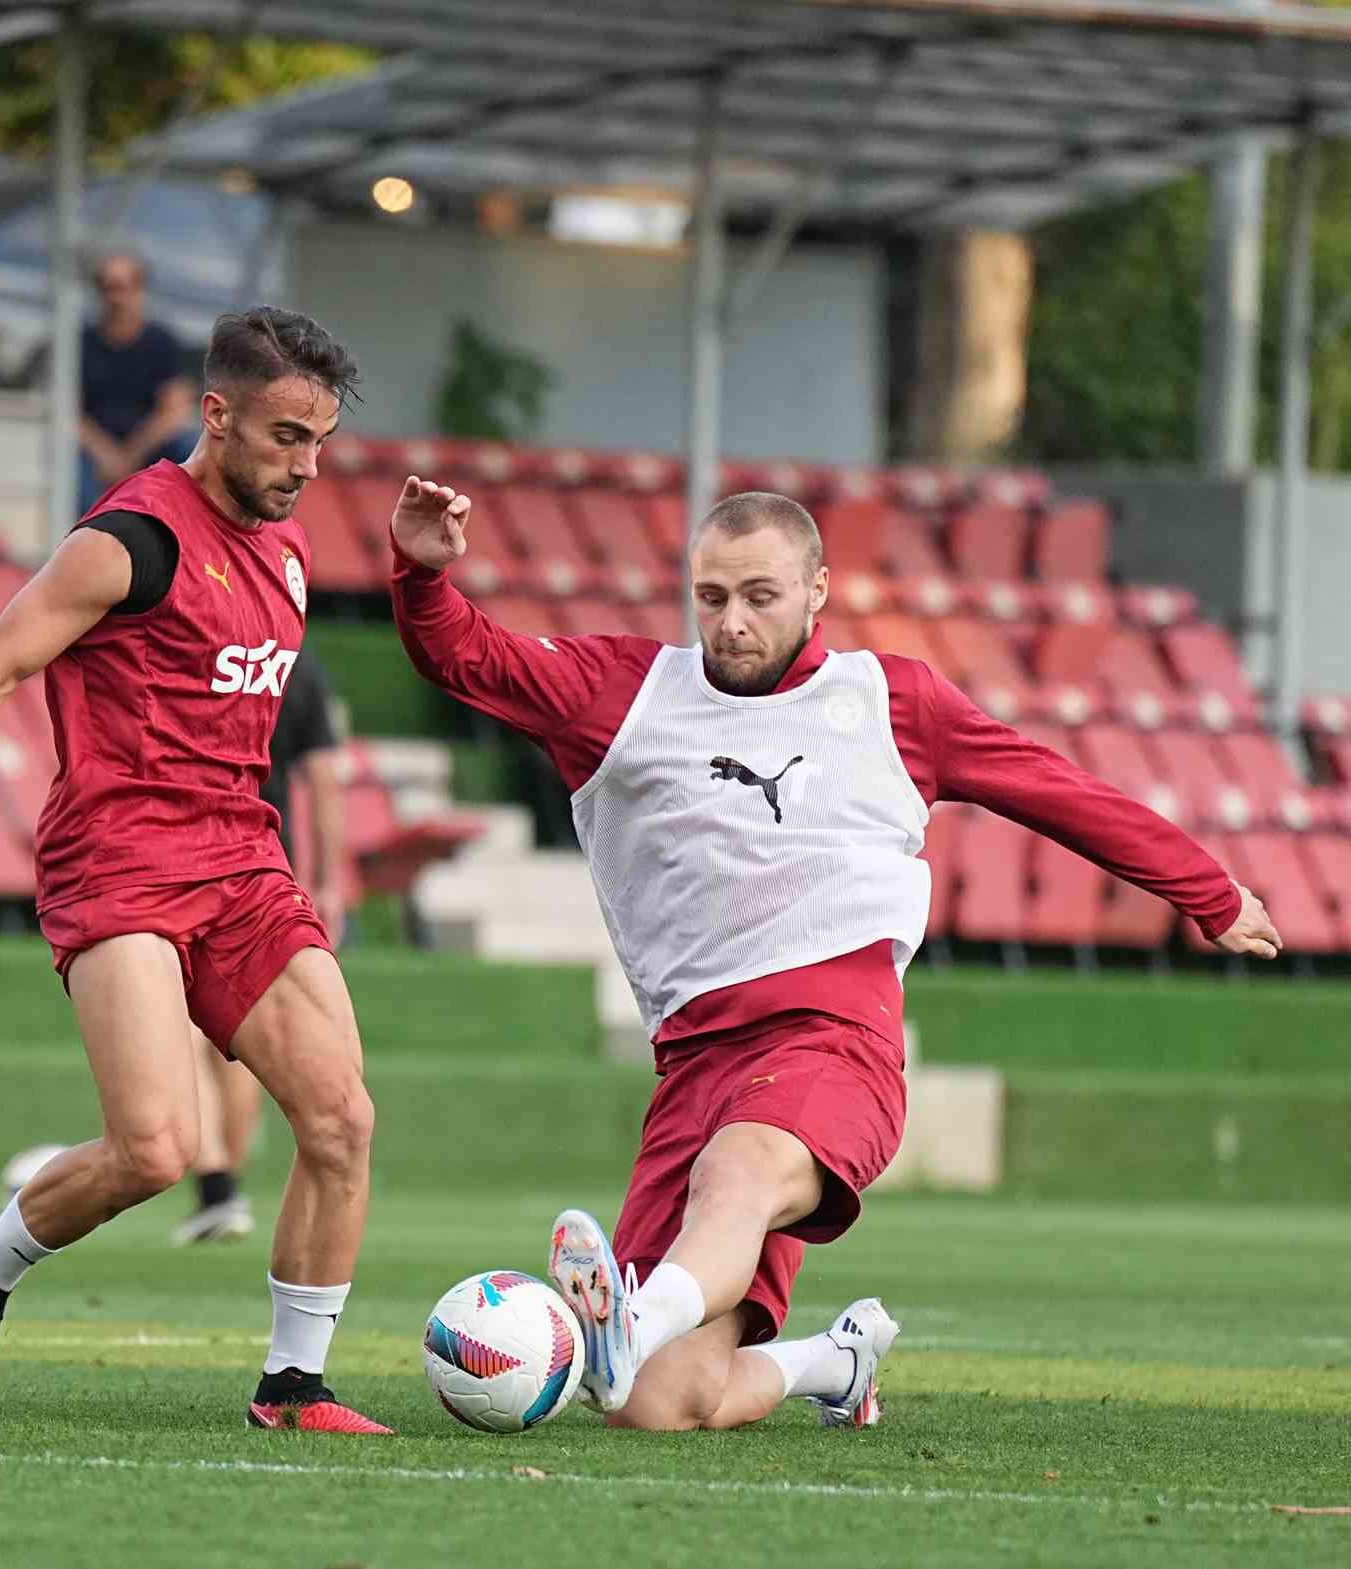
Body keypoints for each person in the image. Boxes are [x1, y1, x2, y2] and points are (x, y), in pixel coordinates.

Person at [389, 479, 1283, 1433]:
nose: (731, 623)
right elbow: (464, 657)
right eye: (711, 597)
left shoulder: (895, 701)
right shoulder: (626, 693)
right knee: (657, 1404)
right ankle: (831, 1361)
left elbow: (1052, 789)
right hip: (694, 1063)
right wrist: (420, 575)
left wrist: (1208, 889)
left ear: (819, 587)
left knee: (734, 1176)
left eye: (760, 595)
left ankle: (622, 1324)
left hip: (835, 1040)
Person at [0, 306, 391, 1435]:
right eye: (284, 436)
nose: (304, 466)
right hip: (118, 862)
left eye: (317, 441)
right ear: (214, 416)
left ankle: (293, 1385)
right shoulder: (126, 543)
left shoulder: (286, 543)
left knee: (340, 1121)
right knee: (156, 1150)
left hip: (240, 857)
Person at [176, 648, 348, 1246]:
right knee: (240, 1035)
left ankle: (217, 1184)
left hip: (190, 856)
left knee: (186, 1030)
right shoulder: (299, 664)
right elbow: (324, 781)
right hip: (271, 867)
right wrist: (327, 881)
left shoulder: (205, 645)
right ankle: (226, 1189)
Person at [76, 250, 196, 517]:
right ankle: (88, 542)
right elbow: (69, 411)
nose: (116, 297)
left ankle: (186, 530)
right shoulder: (81, 342)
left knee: (189, 447)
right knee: (71, 465)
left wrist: (130, 456)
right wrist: (106, 455)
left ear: (140, 289)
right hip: (96, 450)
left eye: (124, 287)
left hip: (148, 446)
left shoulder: (162, 342)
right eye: (107, 287)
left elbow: (174, 410)